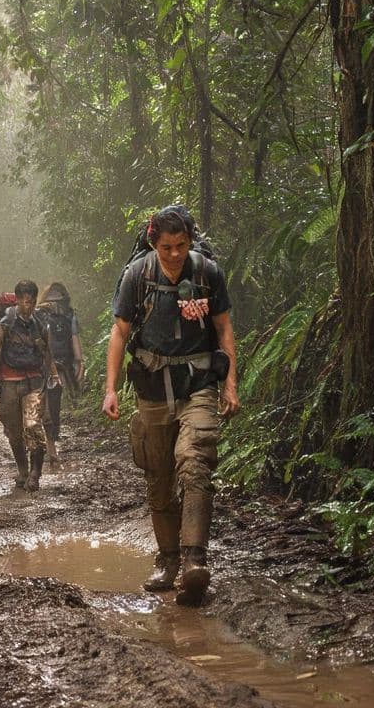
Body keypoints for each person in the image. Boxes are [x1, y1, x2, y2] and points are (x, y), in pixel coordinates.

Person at [101, 207, 239, 603]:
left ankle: (196, 560)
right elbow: (119, 333)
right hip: (152, 390)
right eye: (166, 247)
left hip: (198, 384)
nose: (174, 254)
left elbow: (224, 329)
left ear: (190, 241)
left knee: (195, 461)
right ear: (152, 241)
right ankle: (168, 560)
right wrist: (110, 389)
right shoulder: (137, 276)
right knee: (159, 478)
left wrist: (230, 384)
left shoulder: (207, 274)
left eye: (181, 246)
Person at [0, 279, 60, 492]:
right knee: (14, 430)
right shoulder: (4, 320)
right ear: (17, 300)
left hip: (34, 380)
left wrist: (53, 374)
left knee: (34, 426)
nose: (28, 306)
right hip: (9, 381)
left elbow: (46, 351)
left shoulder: (40, 322)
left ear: (36, 301)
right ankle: (23, 470)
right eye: (25, 302)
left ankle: (35, 474)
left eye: (32, 302)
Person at [37, 282, 83, 468]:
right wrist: (80, 362)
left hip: (48, 366)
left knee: (46, 405)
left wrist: (79, 362)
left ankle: (47, 444)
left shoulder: (40, 314)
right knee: (49, 405)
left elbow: (73, 339)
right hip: (52, 365)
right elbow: (74, 341)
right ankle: (48, 444)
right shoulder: (65, 314)